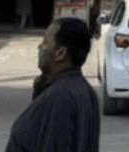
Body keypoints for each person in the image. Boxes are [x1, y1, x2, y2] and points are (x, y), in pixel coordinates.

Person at [6, 17, 100, 152]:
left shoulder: (60, 97)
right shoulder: (83, 90)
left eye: (45, 42)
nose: (40, 47)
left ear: (60, 53)